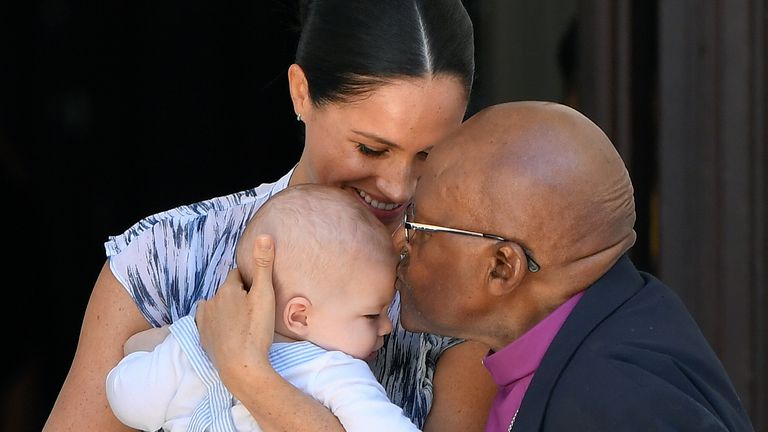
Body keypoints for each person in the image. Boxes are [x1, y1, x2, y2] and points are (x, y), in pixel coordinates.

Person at [44, 1, 497, 431]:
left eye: (428, 155)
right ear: (302, 93)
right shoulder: (168, 256)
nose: (399, 186)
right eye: (370, 148)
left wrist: (246, 372)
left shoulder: (459, 284)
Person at [210, 100, 755, 431]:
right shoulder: (604, 325)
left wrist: (248, 374)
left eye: (419, 226)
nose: (397, 241)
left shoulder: (615, 403)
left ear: (502, 268)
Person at [106, 185, 423, 432]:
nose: (387, 326)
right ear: (299, 316)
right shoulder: (334, 371)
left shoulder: (195, 345)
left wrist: (172, 341)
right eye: (372, 315)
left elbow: (130, 403)